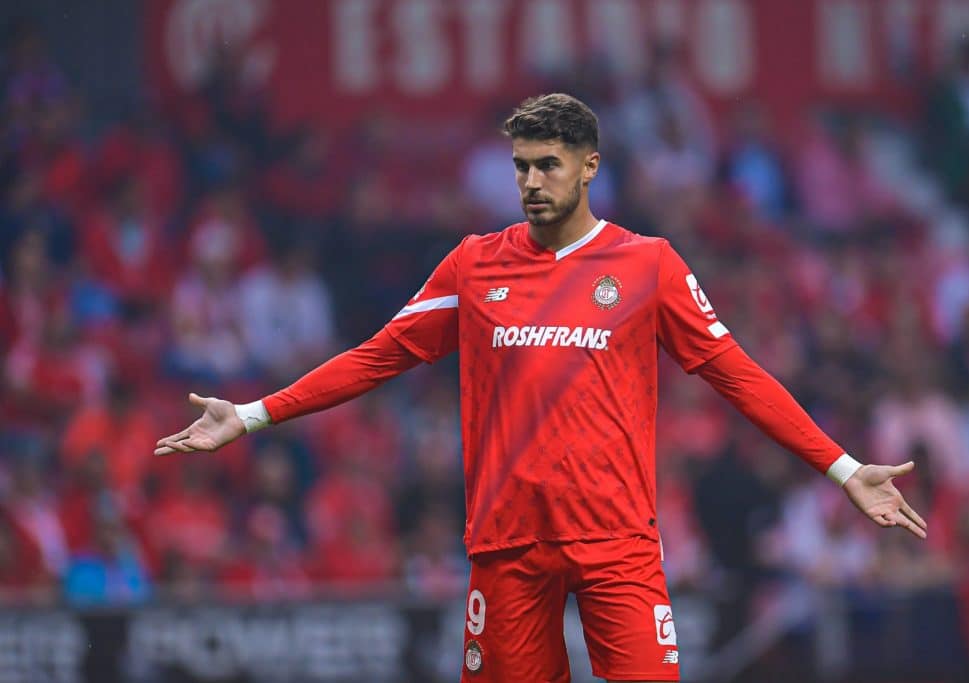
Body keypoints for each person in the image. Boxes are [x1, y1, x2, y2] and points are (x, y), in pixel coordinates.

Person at [155, 94, 927, 683]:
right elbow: (379, 355)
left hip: (617, 542)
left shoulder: (647, 265)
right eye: (520, 165)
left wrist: (844, 467)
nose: (529, 181)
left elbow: (738, 373)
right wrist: (253, 413)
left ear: (589, 165)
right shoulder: (473, 264)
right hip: (508, 548)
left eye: (546, 164)